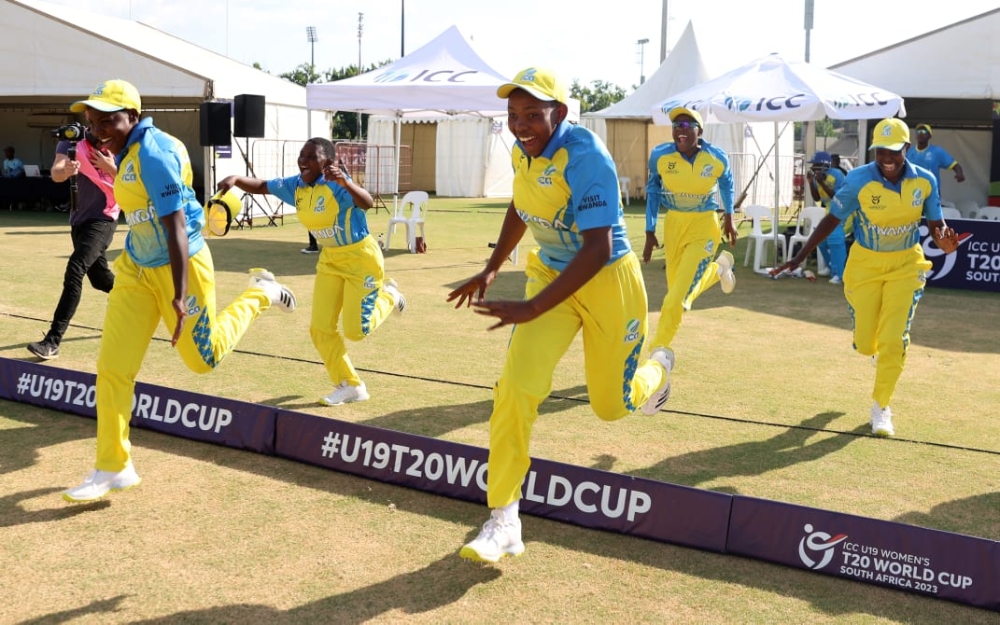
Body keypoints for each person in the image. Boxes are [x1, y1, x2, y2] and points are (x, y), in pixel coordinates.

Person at [447, 67, 671, 563]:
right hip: (550, 275)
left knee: (611, 406)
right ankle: (504, 518)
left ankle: (657, 370)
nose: (520, 125)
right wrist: (492, 267)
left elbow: (597, 248)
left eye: (532, 114)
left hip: (607, 280)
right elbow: (521, 205)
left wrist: (530, 308)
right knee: (514, 392)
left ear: (560, 113)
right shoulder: (522, 152)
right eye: (513, 115)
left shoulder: (586, 156)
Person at [62, 79, 297, 503]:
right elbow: (140, 200)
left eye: (106, 119)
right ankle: (113, 466)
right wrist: (113, 170)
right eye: (92, 121)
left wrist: (178, 292)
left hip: (180, 267)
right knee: (113, 368)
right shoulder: (127, 151)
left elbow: (175, 226)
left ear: (132, 116)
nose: (97, 129)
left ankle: (261, 293)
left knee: (203, 360)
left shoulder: (155, 151)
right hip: (135, 267)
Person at [771, 118, 958, 438]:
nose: (886, 158)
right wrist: (800, 257)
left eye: (893, 151)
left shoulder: (925, 180)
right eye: (880, 150)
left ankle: (881, 406)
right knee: (866, 343)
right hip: (864, 265)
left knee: (894, 340)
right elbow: (832, 219)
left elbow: (936, 225)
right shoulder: (858, 179)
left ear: (907, 148)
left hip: (906, 265)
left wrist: (945, 242)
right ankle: (872, 349)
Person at [218, 137, 405, 406]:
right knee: (320, 328)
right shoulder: (296, 185)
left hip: (361, 259)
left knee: (356, 331)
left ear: (327, 162)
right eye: (301, 155)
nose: (303, 161)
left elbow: (366, 203)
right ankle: (351, 385)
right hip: (330, 260)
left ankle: (390, 296)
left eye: (311, 157)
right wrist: (236, 179)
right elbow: (262, 186)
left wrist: (346, 183)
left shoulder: (337, 184)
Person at [642, 106, 737, 394]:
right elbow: (653, 190)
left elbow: (727, 182)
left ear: (699, 131)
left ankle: (659, 351)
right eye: (675, 125)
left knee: (675, 299)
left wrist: (729, 216)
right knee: (678, 291)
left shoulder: (716, 157)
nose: (679, 130)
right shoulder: (660, 156)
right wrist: (649, 230)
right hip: (674, 225)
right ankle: (719, 268)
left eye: (686, 125)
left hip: (704, 226)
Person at [26, 128, 120, 360]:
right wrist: (66, 170)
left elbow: (135, 182)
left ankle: (52, 341)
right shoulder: (73, 140)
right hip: (79, 220)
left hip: (104, 218)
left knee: (75, 270)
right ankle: (140, 298)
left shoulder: (121, 141)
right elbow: (56, 173)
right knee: (100, 279)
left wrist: (111, 168)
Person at [805, 151, 848, 284]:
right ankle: (830, 267)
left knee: (835, 238)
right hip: (830, 210)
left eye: (816, 164)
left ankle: (840, 274)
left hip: (844, 209)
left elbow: (837, 197)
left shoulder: (837, 174)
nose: (813, 167)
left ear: (824, 165)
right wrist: (811, 182)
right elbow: (817, 198)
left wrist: (821, 183)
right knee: (820, 238)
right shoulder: (818, 177)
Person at [906, 123, 965, 190]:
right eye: (918, 131)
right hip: (912, 190)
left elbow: (955, 165)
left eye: (924, 131)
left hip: (931, 191)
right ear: (916, 135)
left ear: (929, 136)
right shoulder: (909, 151)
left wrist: (960, 173)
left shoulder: (937, 151)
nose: (921, 133)